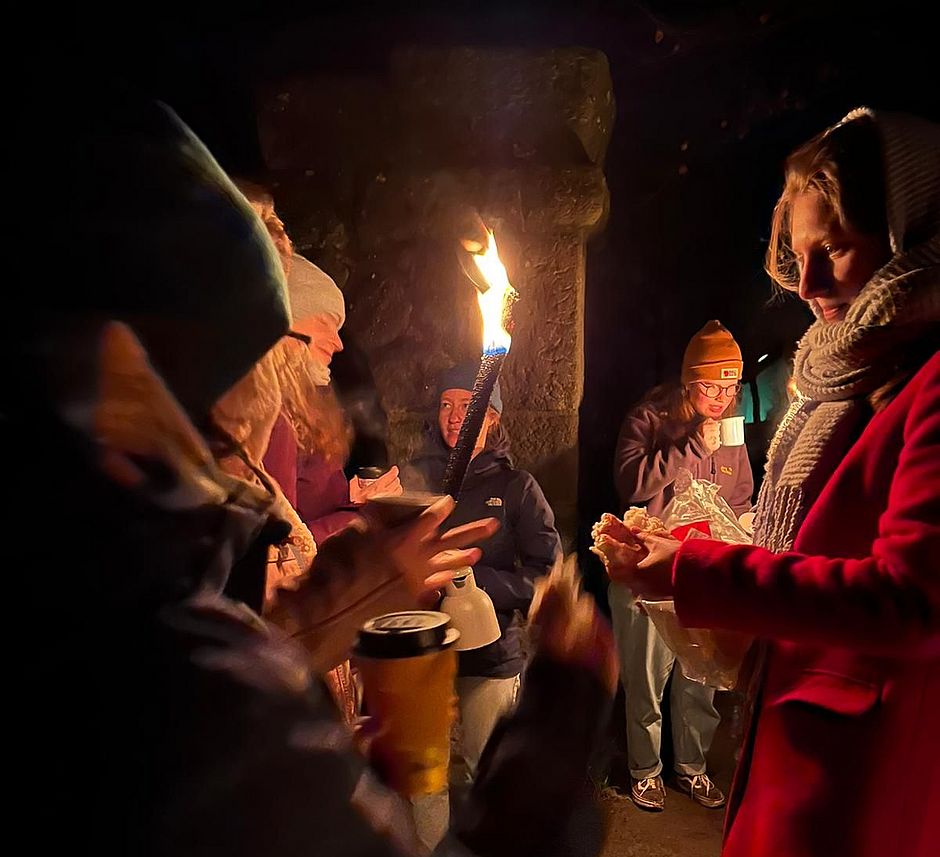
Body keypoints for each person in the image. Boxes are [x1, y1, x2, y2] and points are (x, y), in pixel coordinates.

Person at [25, 94, 617, 857]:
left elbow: (253, 638)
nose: (319, 355)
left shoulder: (107, 573)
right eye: (277, 333)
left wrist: (356, 592)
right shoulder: (187, 685)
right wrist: (559, 724)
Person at [598, 108, 940, 857]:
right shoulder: (837, 373)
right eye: (801, 250)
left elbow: (910, 599)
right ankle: (652, 767)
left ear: (909, 235)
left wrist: (699, 565)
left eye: (838, 250)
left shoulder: (925, 383)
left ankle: (686, 764)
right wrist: (679, 543)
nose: (807, 281)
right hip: (790, 726)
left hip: (855, 769)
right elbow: (792, 534)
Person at [610, 320, 753, 811]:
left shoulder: (732, 431)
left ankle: (690, 768)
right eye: (711, 386)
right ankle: (645, 770)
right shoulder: (650, 418)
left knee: (700, 678)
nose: (720, 397)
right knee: (647, 677)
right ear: (689, 383)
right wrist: (693, 446)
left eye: (729, 387)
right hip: (647, 570)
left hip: (700, 572)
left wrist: (746, 525)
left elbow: (738, 496)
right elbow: (633, 485)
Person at [406, 364, 562, 777]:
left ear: (491, 416)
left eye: (468, 405)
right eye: (445, 405)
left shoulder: (516, 487)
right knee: (425, 774)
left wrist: (481, 585)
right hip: (423, 649)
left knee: (489, 770)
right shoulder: (416, 481)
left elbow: (547, 571)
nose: (455, 416)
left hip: (489, 652)